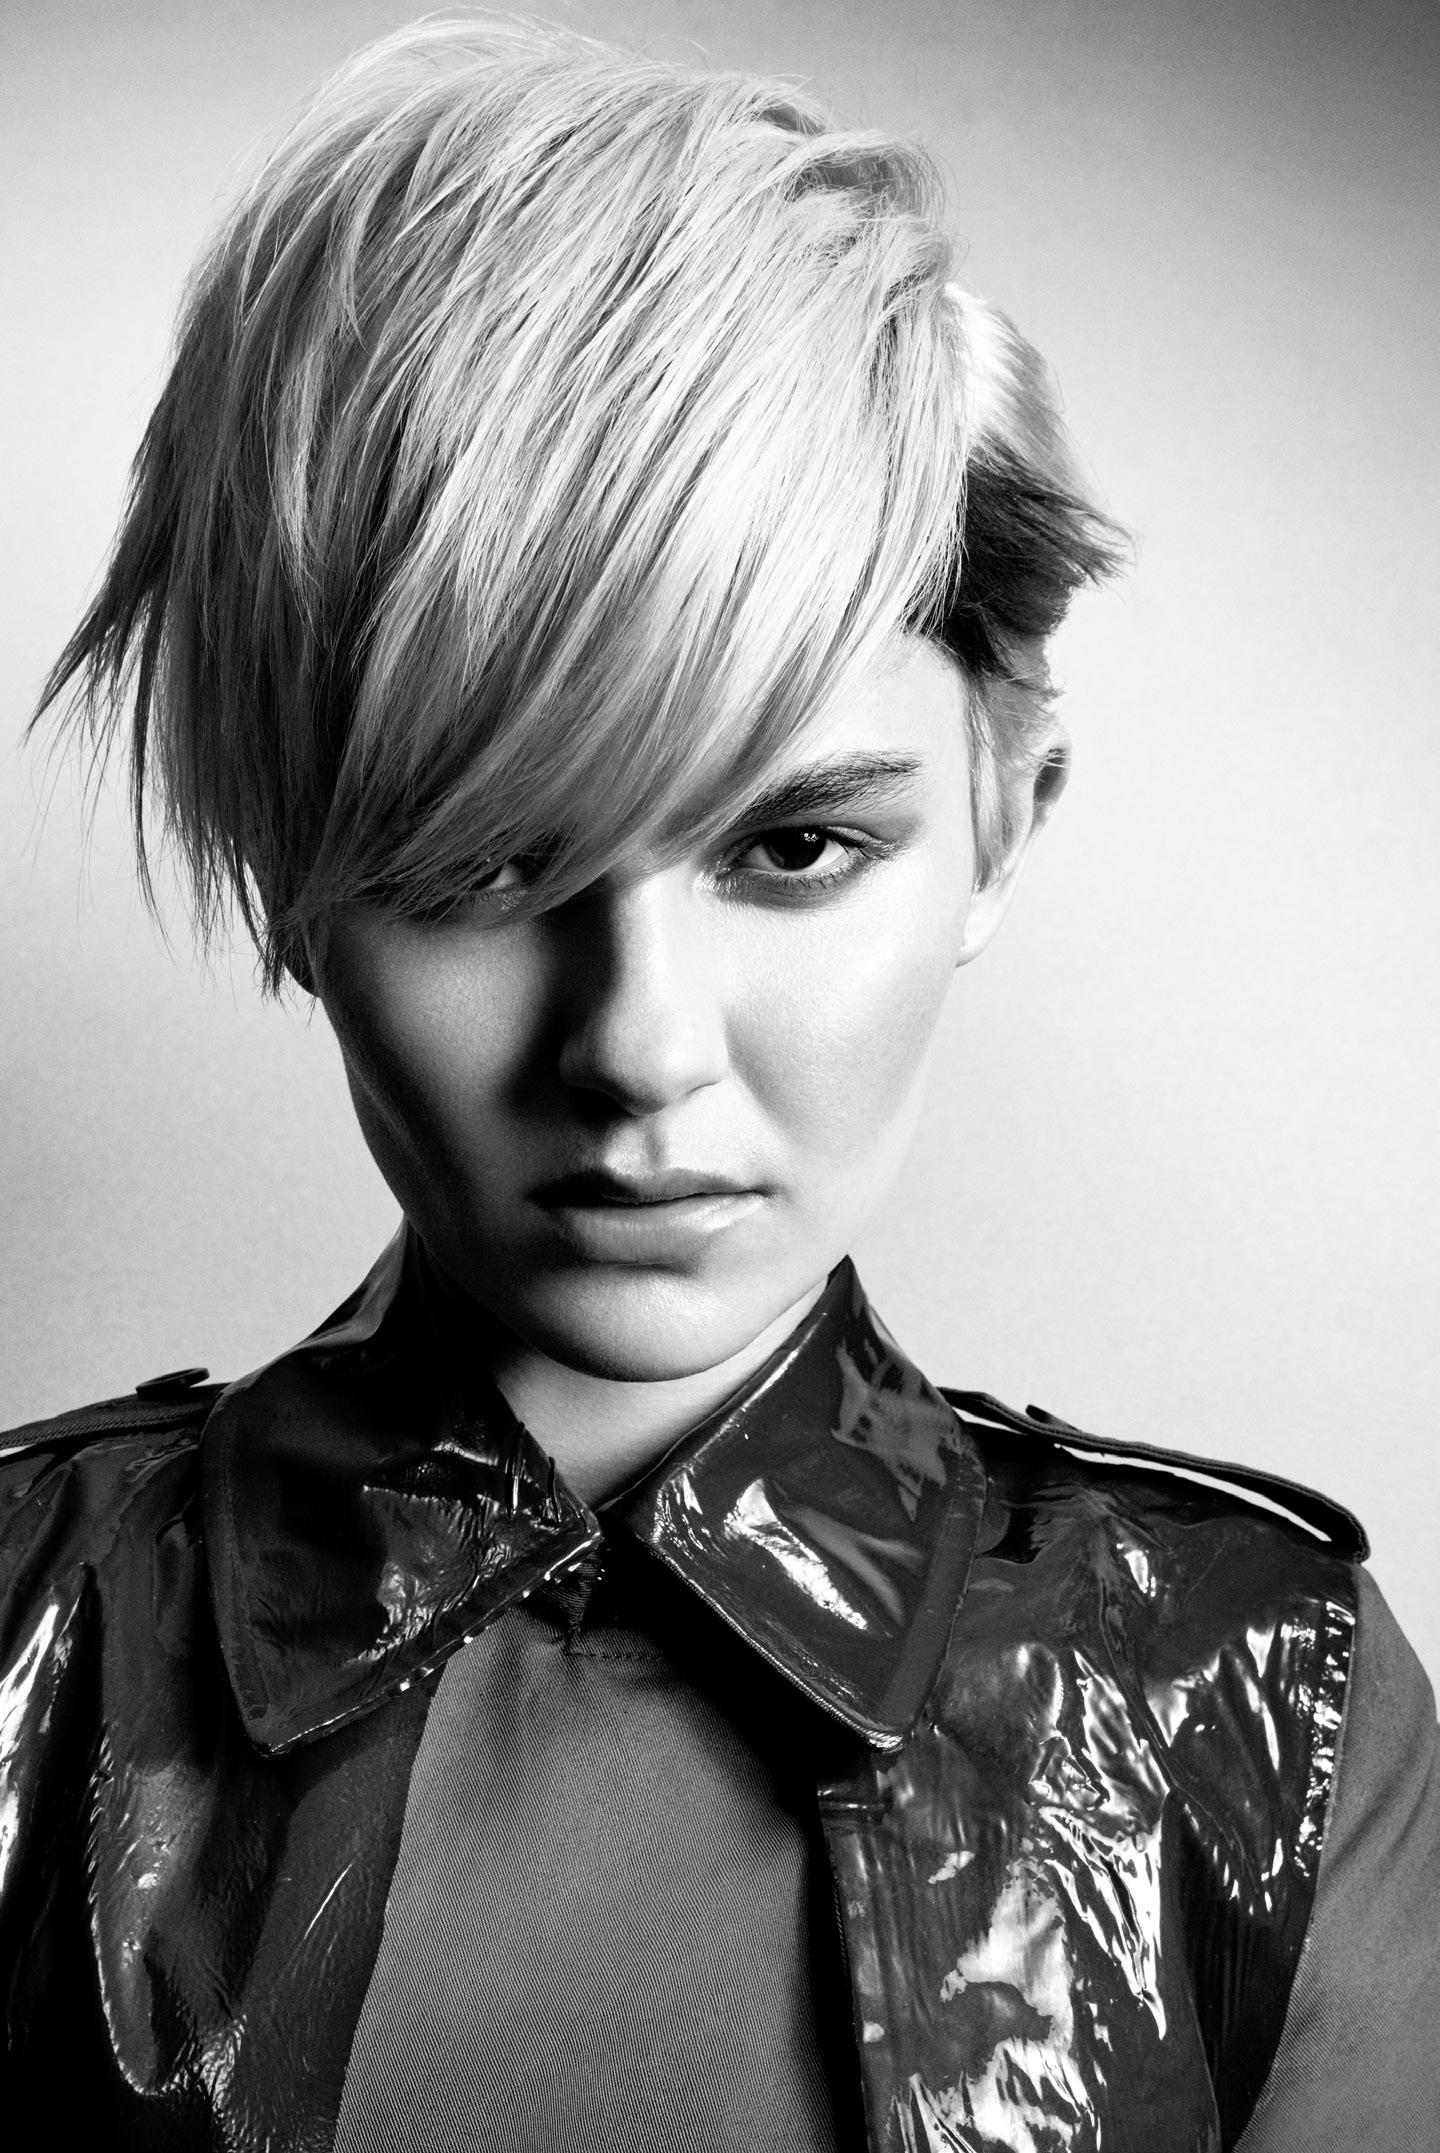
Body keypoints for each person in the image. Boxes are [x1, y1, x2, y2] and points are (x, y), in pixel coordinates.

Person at [3, 18, 1436, 2151]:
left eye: (796, 846)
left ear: (1004, 822)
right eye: (484, 862)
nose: (642, 1046)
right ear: (290, 877)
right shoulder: (19, 1638)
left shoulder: (1260, 1692)